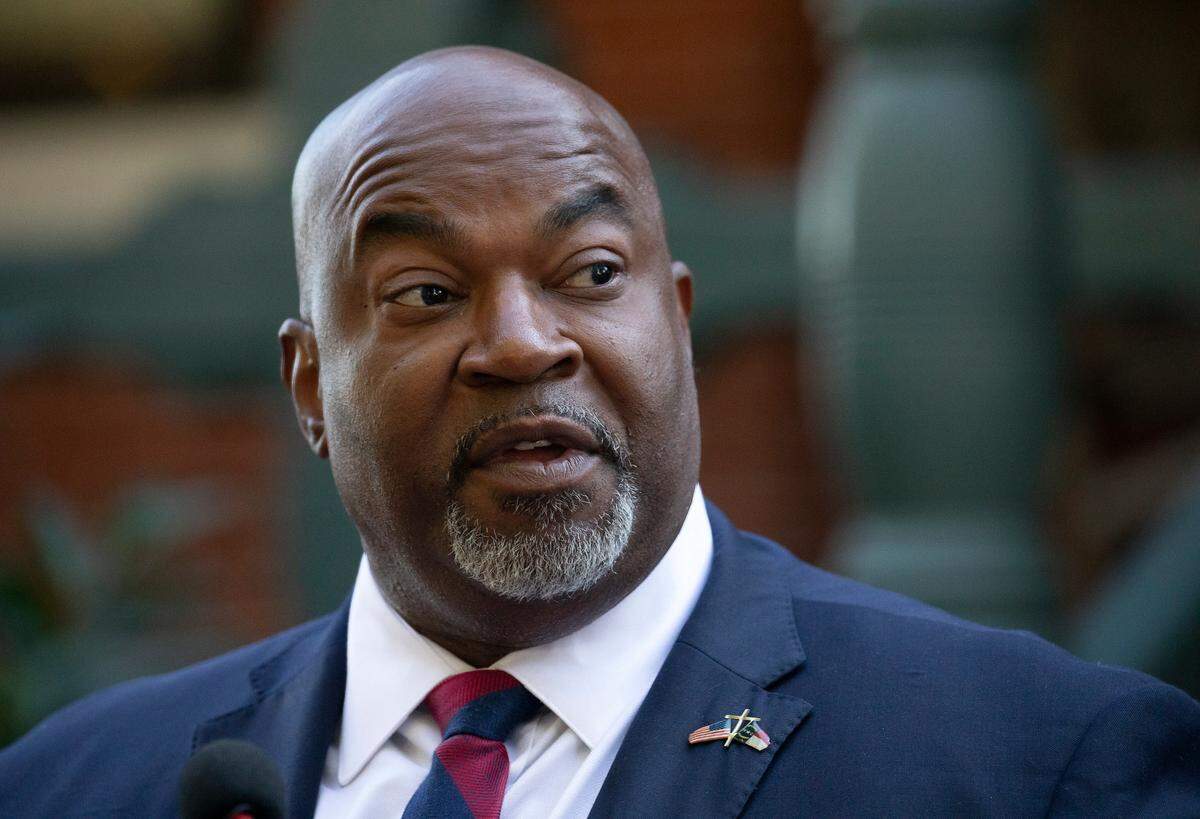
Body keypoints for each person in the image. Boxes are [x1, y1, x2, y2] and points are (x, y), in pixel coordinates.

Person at [1, 46, 1197, 818]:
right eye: (425, 292)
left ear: (673, 324)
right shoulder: (72, 789)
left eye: (590, 269)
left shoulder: (1036, 767)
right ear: (311, 387)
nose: (522, 343)